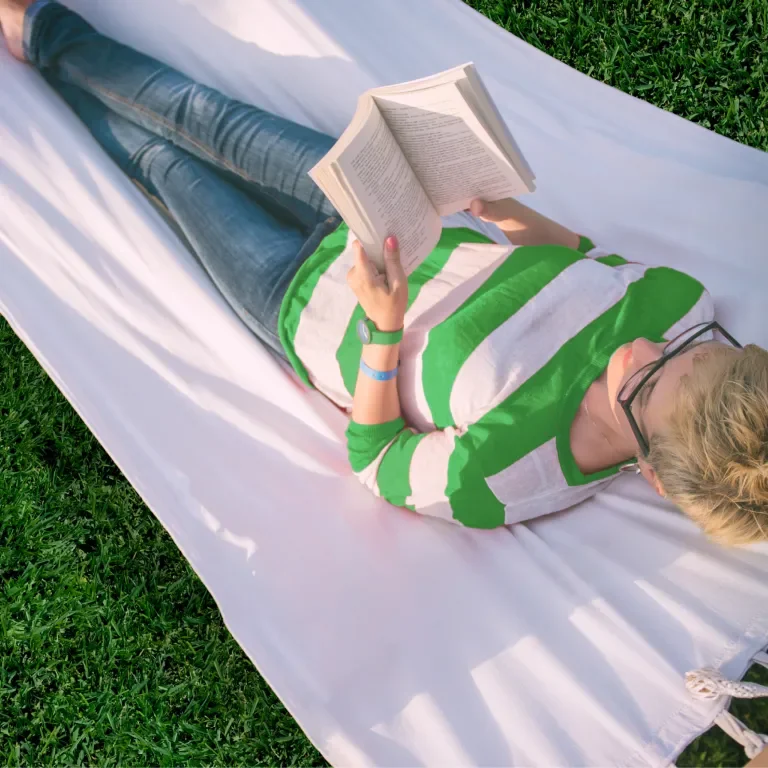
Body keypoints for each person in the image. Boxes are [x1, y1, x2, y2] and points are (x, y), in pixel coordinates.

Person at [3, 0, 767, 545]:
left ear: (652, 474)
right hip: (386, 209)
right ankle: (40, 27)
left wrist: (385, 328)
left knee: (162, 165)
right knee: (202, 116)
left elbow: (378, 460)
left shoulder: (509, 476)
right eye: (693, 350)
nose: (642, 349)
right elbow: (581, 257)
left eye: (646, 384)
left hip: (299, 300)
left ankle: (45, 63)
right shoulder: (679, 305)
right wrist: (500, 209)